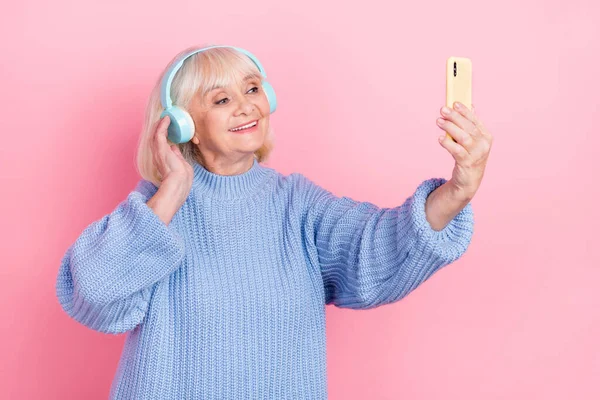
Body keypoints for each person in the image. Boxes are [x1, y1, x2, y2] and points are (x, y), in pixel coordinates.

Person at [55, 44, 492, 399]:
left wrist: (457, 191)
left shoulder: (298, 204)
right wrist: (170, 191)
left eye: (252, 89)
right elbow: (92, 294)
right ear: (184, 125)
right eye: (222, 100)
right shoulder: (155, 210)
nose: (247, 107)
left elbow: (377, 249)